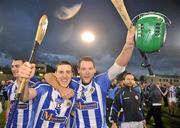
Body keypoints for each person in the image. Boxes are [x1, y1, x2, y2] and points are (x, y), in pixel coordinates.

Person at [45, 29, 135, 127]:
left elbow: (119, 65)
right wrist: (61, 88)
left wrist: (129, 44)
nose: (87, 72)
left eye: (90, 68)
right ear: (78, 70)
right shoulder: (73, 82)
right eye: (83, 69)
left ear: (94, 70)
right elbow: (48, 76)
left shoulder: (101, 81)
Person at [19, 61, 78, 128]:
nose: (64, 76)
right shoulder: (43, 88)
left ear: (72, 74)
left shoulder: (73, 95)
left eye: (68, 72)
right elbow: (24, 97)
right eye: (61, 72)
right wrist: (25, 82)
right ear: (55, 74)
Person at [5, 59, 39, 128]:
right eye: (12, 66)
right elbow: (9, 107)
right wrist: (7, 123)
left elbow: (23, 97)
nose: (14, 69)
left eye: (17, 66)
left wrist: (24, 80)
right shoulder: (10, 87)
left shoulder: (35, 85)